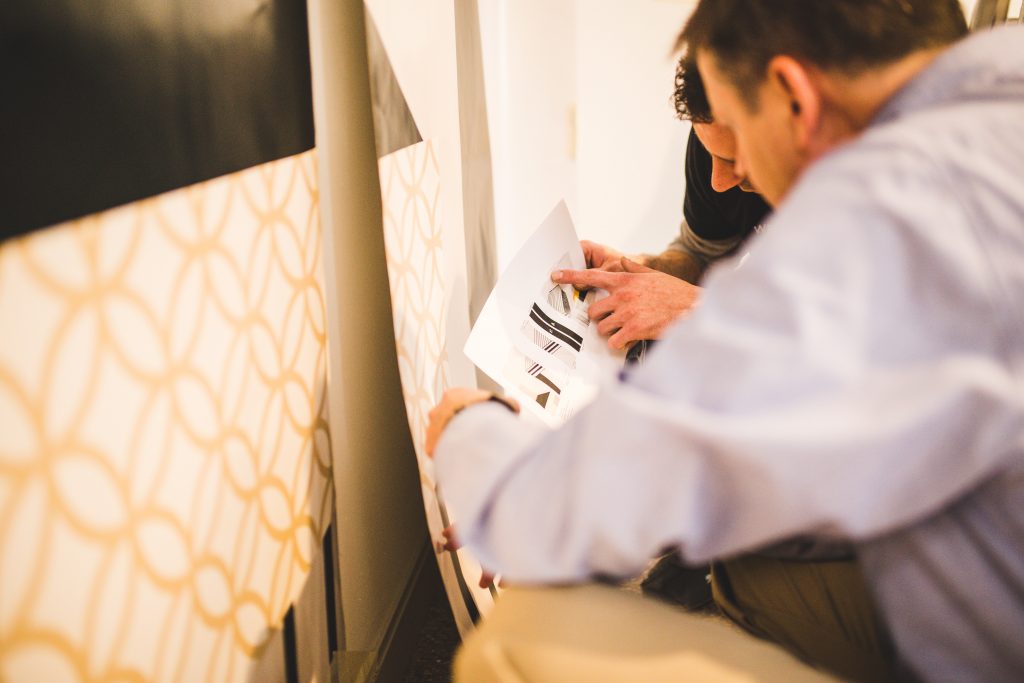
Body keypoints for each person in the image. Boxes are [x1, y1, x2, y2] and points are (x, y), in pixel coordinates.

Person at [427, 1, 1024, 681]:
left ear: (795, 95)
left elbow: (555, 510)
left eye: (737, 136)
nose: (725, 177)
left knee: (522, 634)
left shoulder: (874, 227)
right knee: (755, 560)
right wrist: (653, 275)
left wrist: (474, 432)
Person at [552, 58, 771, 351]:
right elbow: (701, 253)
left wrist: (695, 308)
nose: (717, 182)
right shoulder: (712, 145)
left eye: (733, 159)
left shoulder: (845, 191)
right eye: (710, 152)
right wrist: (642, 269)